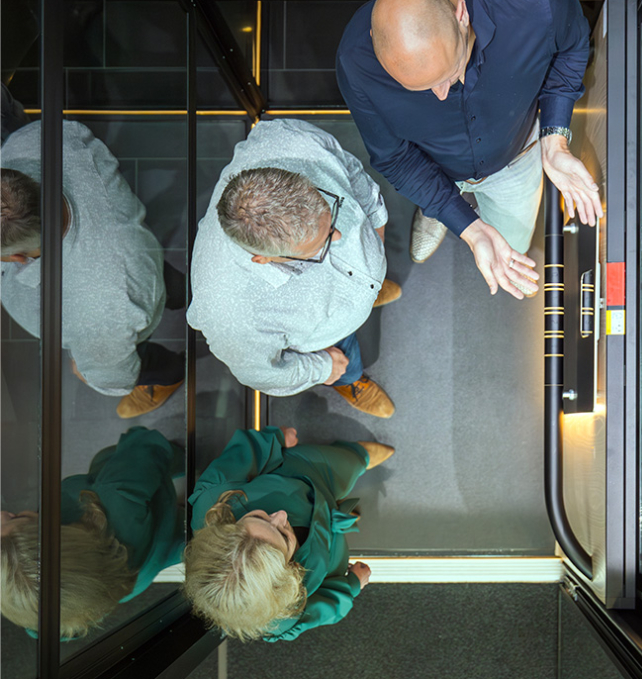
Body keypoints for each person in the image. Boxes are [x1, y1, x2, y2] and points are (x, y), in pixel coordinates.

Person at [336, 0, 602, 300]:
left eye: (449, 76)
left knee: (513, 243)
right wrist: (467, 226)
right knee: (439, 198)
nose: (439, 95)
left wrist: (554, 137)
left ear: (461, 14)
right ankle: (440, 206)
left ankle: (441, 205)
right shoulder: (355, 60)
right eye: (418, 89)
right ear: (373, 39)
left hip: (516, 156)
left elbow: (572, 49)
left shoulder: (537, 5)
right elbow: (395, 158)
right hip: (434, 165)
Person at [187, 119, 399, 418]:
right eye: (322, 244)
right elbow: (263, 375)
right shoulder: (231, 317)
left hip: (351, 290)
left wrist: (376, 228)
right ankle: (349, 380)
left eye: (330, 214)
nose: (339, 236)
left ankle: (371, 292)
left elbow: (351, 171)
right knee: (344, 357)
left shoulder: (290, 139)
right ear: (264, 259)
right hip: (329, 332)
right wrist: (324, 366)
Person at [0, 120, 185, 418]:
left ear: (18, 258)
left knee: (143, 360)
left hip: (119, 306)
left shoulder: (97, 318)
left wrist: (86, 366)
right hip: (138, 260)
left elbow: (114, 377)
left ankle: (172, 373)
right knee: (172, 285)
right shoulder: (33, 141)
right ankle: (191, 296)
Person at [183, 425, 393, 641]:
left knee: (345, 462)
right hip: (329, 546)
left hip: (303, 473)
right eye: (282, 535)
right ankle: (340, 508)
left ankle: (358, 457)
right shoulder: (279, 615)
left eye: (258, 517)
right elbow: (321, 608)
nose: (280, 515)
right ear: (283, 581)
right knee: (338, 505)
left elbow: (243, 454)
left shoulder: (214, 497)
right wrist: (351, 585)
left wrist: (274, 438)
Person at [0, 427, 185, 639]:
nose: (2, 514)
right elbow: (147, 447)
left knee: (178, 543)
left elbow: (42, 631)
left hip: (142, 571)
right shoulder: (115, 493)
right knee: (106, 457)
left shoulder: (58, 611)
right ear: (64, 542)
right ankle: (183, 460)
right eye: (16, 518)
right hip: (156, 512)